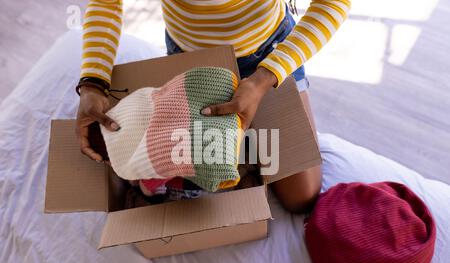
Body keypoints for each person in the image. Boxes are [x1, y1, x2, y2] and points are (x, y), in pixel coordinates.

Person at [76, 0, 351, 213]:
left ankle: (242, 146)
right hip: (193, 59)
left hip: (270, 50)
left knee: (301, 197)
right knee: (183, 165)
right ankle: (242, 150)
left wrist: (264, 78)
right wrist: (92, 81)